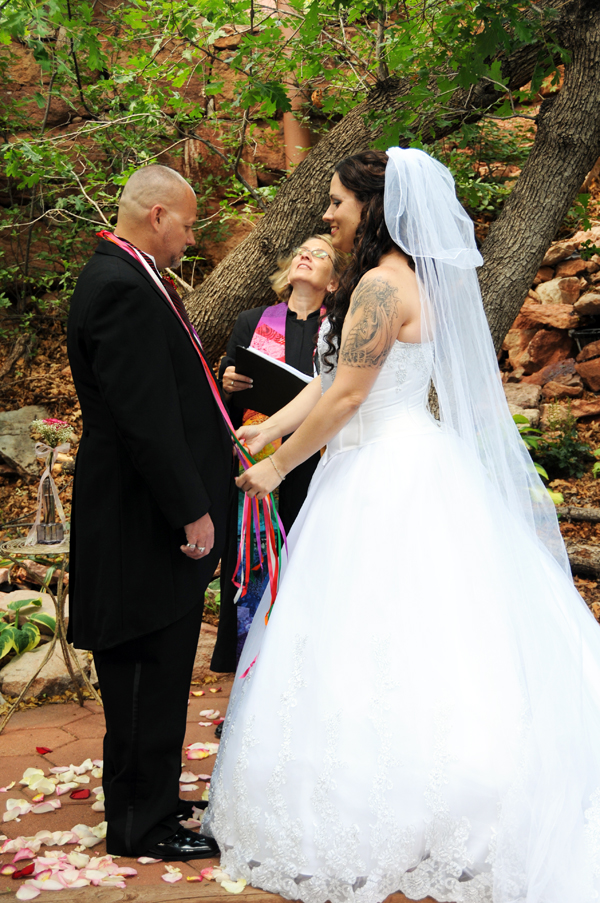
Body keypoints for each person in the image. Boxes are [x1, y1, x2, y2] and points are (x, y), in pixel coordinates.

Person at [203, 148, 600, 903]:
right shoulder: (396, 281)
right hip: (390, 460)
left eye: (337, 201)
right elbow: (330, 379)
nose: (328, 214)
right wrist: (269, 428)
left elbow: (349, 398)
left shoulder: (383, 286)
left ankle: (427, 807)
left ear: (373, 206)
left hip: (384, 471)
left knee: (391, 633)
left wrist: (278, 467)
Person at [67, 164, 232, 862]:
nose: (192, 239)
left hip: (145, 510)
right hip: (140, 516)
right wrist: (191, 509)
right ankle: (140, 823)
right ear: (158, 215)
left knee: (163, 662)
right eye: (188, 225)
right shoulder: (119, 287)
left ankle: (153, 795)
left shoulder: (133, 277)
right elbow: (145, 418)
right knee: (144, 661)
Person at [211, 235, 345, 673]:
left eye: (320, 253)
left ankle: (298, 663)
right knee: (253, 556)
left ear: (334, 280)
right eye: (301, 251)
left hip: (315, 457)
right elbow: (231, 388)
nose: (305, 255)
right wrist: (228, 381)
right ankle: (248, 665)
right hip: (259, 455)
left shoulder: (339, 327)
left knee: (306, 554)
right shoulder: (253, 321)